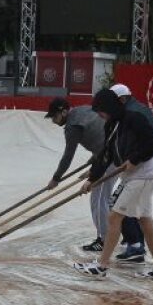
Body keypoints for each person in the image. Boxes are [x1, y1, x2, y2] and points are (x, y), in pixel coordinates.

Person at [74, 88, 153, 279]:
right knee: (144, 219)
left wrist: (134, 159)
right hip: (131, 177)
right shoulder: (111, 125)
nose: (99, 115)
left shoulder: (134, 119)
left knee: (114, 216)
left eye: (100, 110)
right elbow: (106, 155)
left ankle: (101, 266)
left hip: (143, 174)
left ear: (109, 107)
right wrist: (92, 179)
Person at [109, 83, 153, 264]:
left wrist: (133, 160)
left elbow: (150, 142)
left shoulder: (133, 113)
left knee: (119, 205)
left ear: (121, 99)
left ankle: (135, 245)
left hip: (145, 166)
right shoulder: (137, 109)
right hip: (147, 165)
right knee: (138, 211)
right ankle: (137, 244)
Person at [43, 97, 110, 251]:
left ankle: (104, 240)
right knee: (104, 200)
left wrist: (56, 178)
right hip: (109, 152)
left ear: (64, 112)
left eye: (54, 117)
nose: (53, 121)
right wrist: (94, 160)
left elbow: (68, 156)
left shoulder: (72, 126)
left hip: (109, 157)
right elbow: (99, 134)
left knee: (99, 200)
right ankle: (115, 236)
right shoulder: (84, 109)